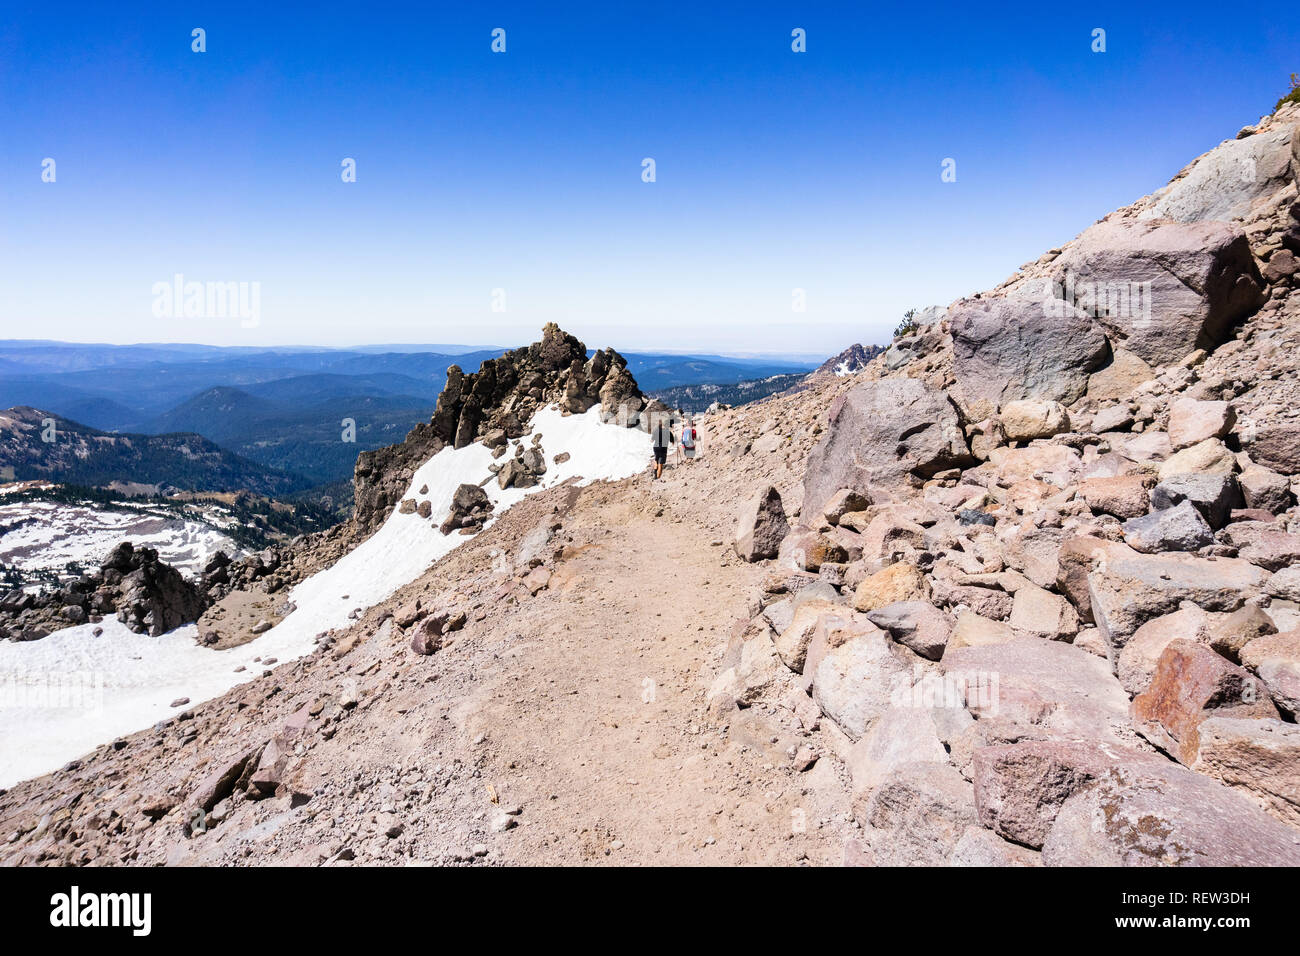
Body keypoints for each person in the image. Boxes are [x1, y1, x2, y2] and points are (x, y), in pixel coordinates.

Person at [651, 415, 674, 479]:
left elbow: (651, 440)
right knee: (660, 464)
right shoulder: (668, 432)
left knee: (656, 460)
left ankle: (655, 473)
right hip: (663, 448)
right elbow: (672, 442)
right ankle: (657, 478)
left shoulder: (656, 430)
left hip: (655, 447)